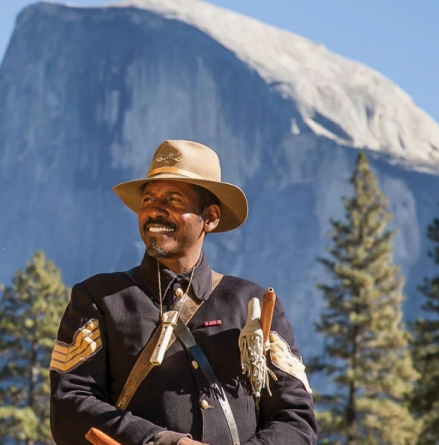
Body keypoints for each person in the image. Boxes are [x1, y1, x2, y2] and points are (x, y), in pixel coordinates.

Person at [49, 140, 317, 445]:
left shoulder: (251, 304)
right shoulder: (99, 299)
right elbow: (69, 406)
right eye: (148, 199)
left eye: (173, 200)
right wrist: (163, 442)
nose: (153, 211)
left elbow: (296, 419)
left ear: (211, 217)